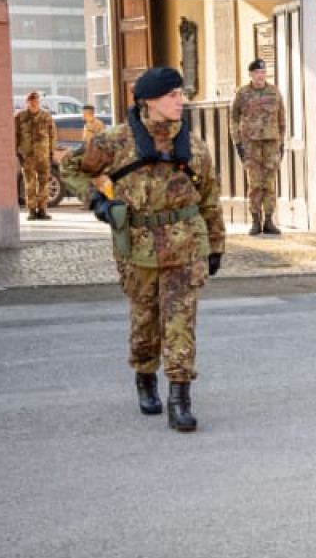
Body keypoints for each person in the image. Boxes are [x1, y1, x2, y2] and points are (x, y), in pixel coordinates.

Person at [60, 67, 224, 432]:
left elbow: (210, 198)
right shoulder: (116, 140)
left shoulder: (194, 145)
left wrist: (215, 245)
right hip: (138, 248)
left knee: (180, 321)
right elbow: (71, 166)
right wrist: (97, 201)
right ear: (148, 100)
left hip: (185, 246)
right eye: (172, 96)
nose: (180, 101)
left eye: (181, 94)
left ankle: (179, 398)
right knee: (145, 320)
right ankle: (145, 377)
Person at [230, 58, 288, 235]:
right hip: (251, 143)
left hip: (271, 142)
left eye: (263, 73)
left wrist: (282, 142)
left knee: (270, 182)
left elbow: (281, 118)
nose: (260, 76)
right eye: (257, 73)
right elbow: (233, 118)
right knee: (255, 182)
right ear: (251, 74)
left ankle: (269, 220)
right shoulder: (242, 93)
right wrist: (237, 142)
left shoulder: (274, 91)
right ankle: (256, 220)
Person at [14, 91, 57, 221]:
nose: (34, 104)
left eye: (36, 101)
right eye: (31, 101)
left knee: (44, 182)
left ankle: (42, 209)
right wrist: (17, 152)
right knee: (30, 183)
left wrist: (51, 152)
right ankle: (32, 210)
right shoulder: (19, 117)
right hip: (27, 155)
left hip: (43, 154)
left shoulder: (46, 116)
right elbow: (15, 135)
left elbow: (53, 134)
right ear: (27, 102)